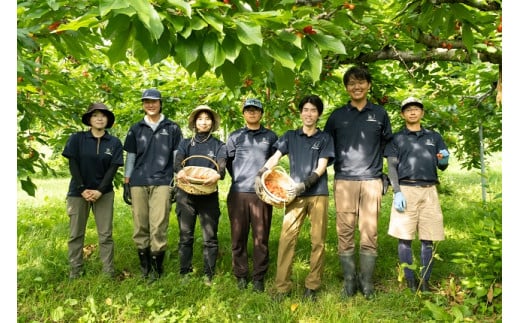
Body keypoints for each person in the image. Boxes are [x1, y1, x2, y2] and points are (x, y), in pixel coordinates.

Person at [324, 65, 393, 300]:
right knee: (344, 231)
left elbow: (388, 146)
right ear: (346, 88)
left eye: (361, 82)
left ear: (369, 85)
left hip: (372, 180)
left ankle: (367, 282)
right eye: (352, 83)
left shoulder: (380, 114)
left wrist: (388, 176)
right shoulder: (337, 116)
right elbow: (326, 146)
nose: (357, 86)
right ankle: (349, 281)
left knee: (370, 232)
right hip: (345, 180)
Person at [257, 95, 334, 301]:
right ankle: (282, 286)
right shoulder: (290, 136)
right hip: (293, 196)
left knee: (318, 241)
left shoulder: (325, 138)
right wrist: (261, 172)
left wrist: (304, 185)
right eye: (306, 110)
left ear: (318, 114)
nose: (309, 114)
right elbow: (276, 157)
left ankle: (312, 286)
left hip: (317, 194)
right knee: (286, 239)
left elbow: (322, 166)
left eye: (313, 110)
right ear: (300, 113)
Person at [384, 97, 449, 293]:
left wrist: (444, 159)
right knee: (404, 237)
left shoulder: (434, 137)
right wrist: (397, 192)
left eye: (416, 109)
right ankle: (410, 280)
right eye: (408, 109)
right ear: (403, 114)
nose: (412, 112)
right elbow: (392, 168)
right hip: (406, 189)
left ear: (422, 113)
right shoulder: (396, 138)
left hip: (429, 190)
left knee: (428, 238)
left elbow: (443, 165)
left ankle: (425, 280)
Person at [123, 89, 183, 282]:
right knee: (140, 225)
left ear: (160, 103)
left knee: (158, 225)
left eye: (154, 101)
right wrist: (126, 182)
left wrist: (177, 181)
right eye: (146, 102)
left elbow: (176, 156)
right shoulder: (136, 128)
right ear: (143, 104)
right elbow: (130, 157)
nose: (150, 105)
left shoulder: (172, 128)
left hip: (163, 181)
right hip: (138, 181)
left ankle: (157, 268)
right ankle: (145, 267)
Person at [62, 103, 123, 279]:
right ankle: (75, 270)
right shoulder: (77, 139)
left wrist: (100, 191)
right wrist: (82, 189)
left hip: (104, 194)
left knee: (105, 234)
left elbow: (112, 169)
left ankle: (108, 271)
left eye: (103, 115)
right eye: (95, 115)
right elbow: (73, 164)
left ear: (108, 120)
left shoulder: (114, 142)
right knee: (75, 234)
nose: (99, 118)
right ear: (89, 119)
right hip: (77, 193)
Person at [226, 98, 278, 292]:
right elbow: (229, 162)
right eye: (248, 110)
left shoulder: (271, 137)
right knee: (238, 236)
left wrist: (262, 182)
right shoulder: (235, 136)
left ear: (261, 113)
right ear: (243, 113)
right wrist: (240, 178)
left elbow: (275, 160)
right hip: (239, 192)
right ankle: (240, 274)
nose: (252, 113)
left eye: (256, 110)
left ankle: (258, 276)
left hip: (262, 194)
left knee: (260, 237)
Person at [174, 105, 227, 286]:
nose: (203, 122)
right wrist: (180, 171)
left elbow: (221, 166)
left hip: (208, 195)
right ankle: (185, 273)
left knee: (210, 237)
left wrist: (217, 174)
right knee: (185, 235)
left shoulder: (219, 145)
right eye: (200, 119)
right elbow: (178, 161)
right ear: (194, 122)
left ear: (212, 123)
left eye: (207, 119)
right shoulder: (186, 143)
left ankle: (209, 275)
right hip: (185, 195)